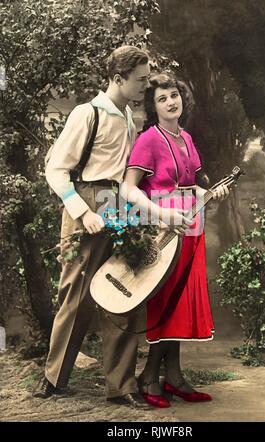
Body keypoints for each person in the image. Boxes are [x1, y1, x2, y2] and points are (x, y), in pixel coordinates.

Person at [33, 46, 151, 409]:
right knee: (78, 294)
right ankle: (54, 378)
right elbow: (55, 169)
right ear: (118, 78)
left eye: (147, 79)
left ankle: (121, 385)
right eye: (140, 79)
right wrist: (82, 212)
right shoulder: (88, 113)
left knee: (123, 291)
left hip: (119, 205)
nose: (145, 86)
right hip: (87, 199)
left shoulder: (130, 118)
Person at [121, 72, 229, 408]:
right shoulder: (149, 140)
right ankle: (150, 377)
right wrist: (161, 213)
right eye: (162, 98)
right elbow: (128, 188)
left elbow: (190, 186)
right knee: (166, 303)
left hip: (191, 227)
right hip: (164, 229)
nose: (171, 102)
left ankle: (175, 377)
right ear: (153, 108)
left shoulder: (186, 138)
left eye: (174, 95)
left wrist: (212, 192)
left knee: (182, 303)